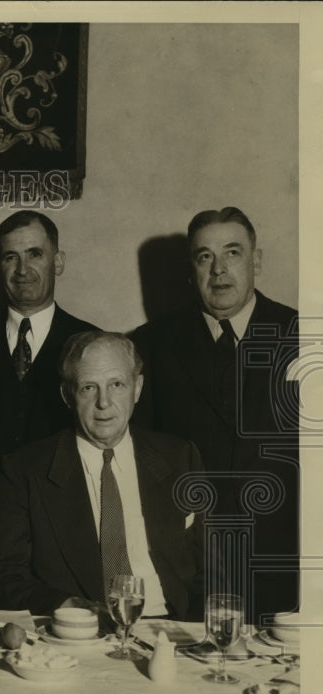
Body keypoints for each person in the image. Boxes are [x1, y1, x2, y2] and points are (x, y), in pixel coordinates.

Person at [131, 207, 299, 622]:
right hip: (186, 569)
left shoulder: (301, 337)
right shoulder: (152, 344)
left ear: (256, 261)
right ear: (191, 270)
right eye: (204, 257)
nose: (219, 270)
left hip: (278, 566)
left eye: (233, 253)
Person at [0, 331, 206, 620]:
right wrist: (69, 606)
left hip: (170, 631)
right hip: (80, 636)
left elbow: (212, 569)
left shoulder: (179, 459)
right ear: (67, 396)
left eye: (117, 384)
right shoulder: (23, 471)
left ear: (137, 388)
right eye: (88, 387)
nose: (104, 403)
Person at [0, 210, 96, 610]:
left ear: (58, 261)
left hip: (64, 544)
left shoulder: (91, 345)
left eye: (35, 254)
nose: (23, 269)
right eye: (10, 257)